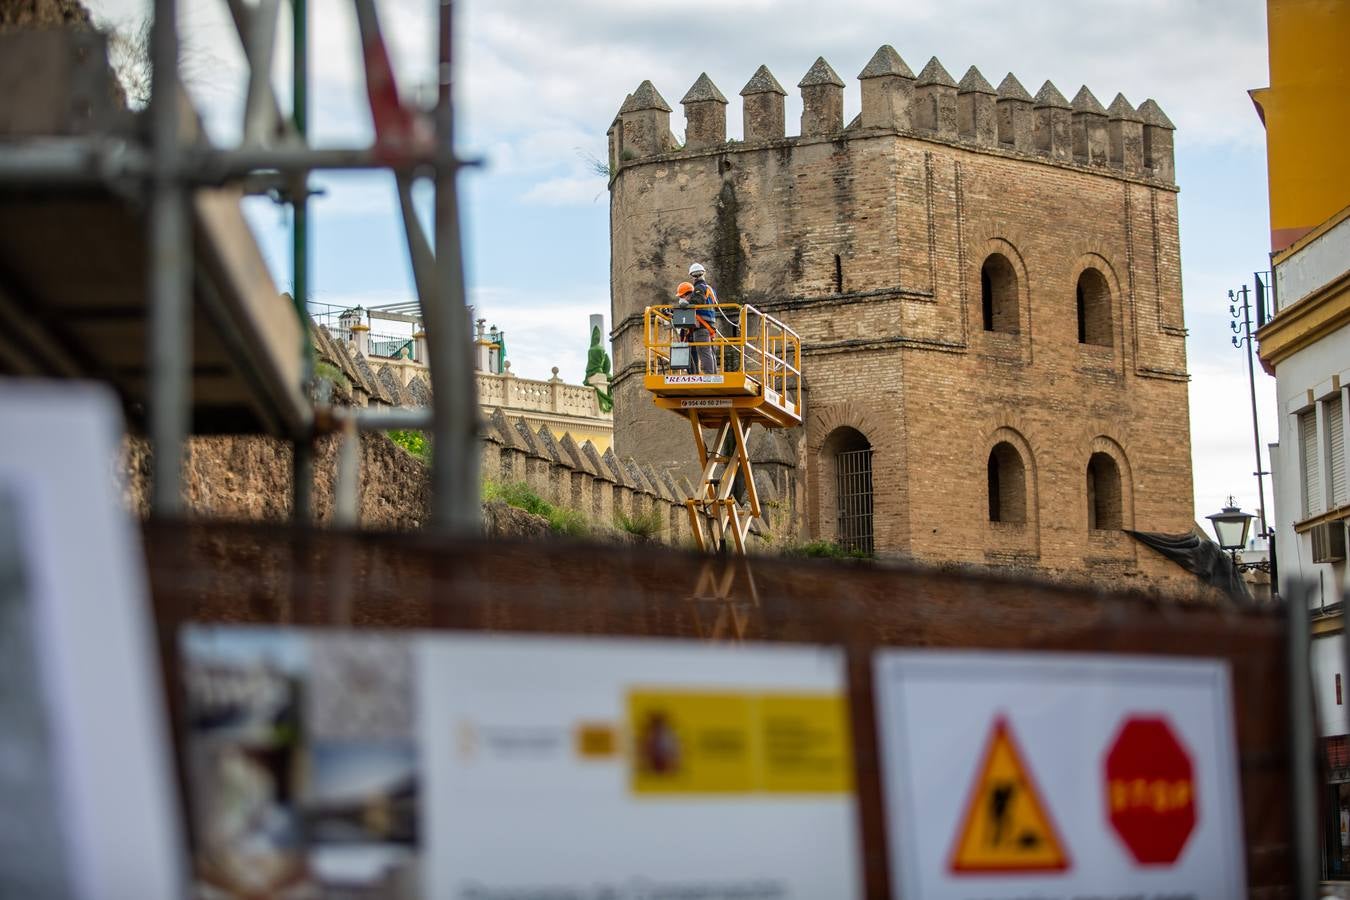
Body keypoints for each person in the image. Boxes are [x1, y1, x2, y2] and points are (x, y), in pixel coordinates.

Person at [676, 280, 716, 374]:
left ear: (689, 294)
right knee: (706, 351)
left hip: (701, 329)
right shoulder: (699, 302)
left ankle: (709, 375)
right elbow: (680, 315)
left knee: (704, 351)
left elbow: (687, 314)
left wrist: (687, 306)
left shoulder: (695, 304)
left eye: (682, 296)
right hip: (704, 329)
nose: (681, 299)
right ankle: (703, 373)